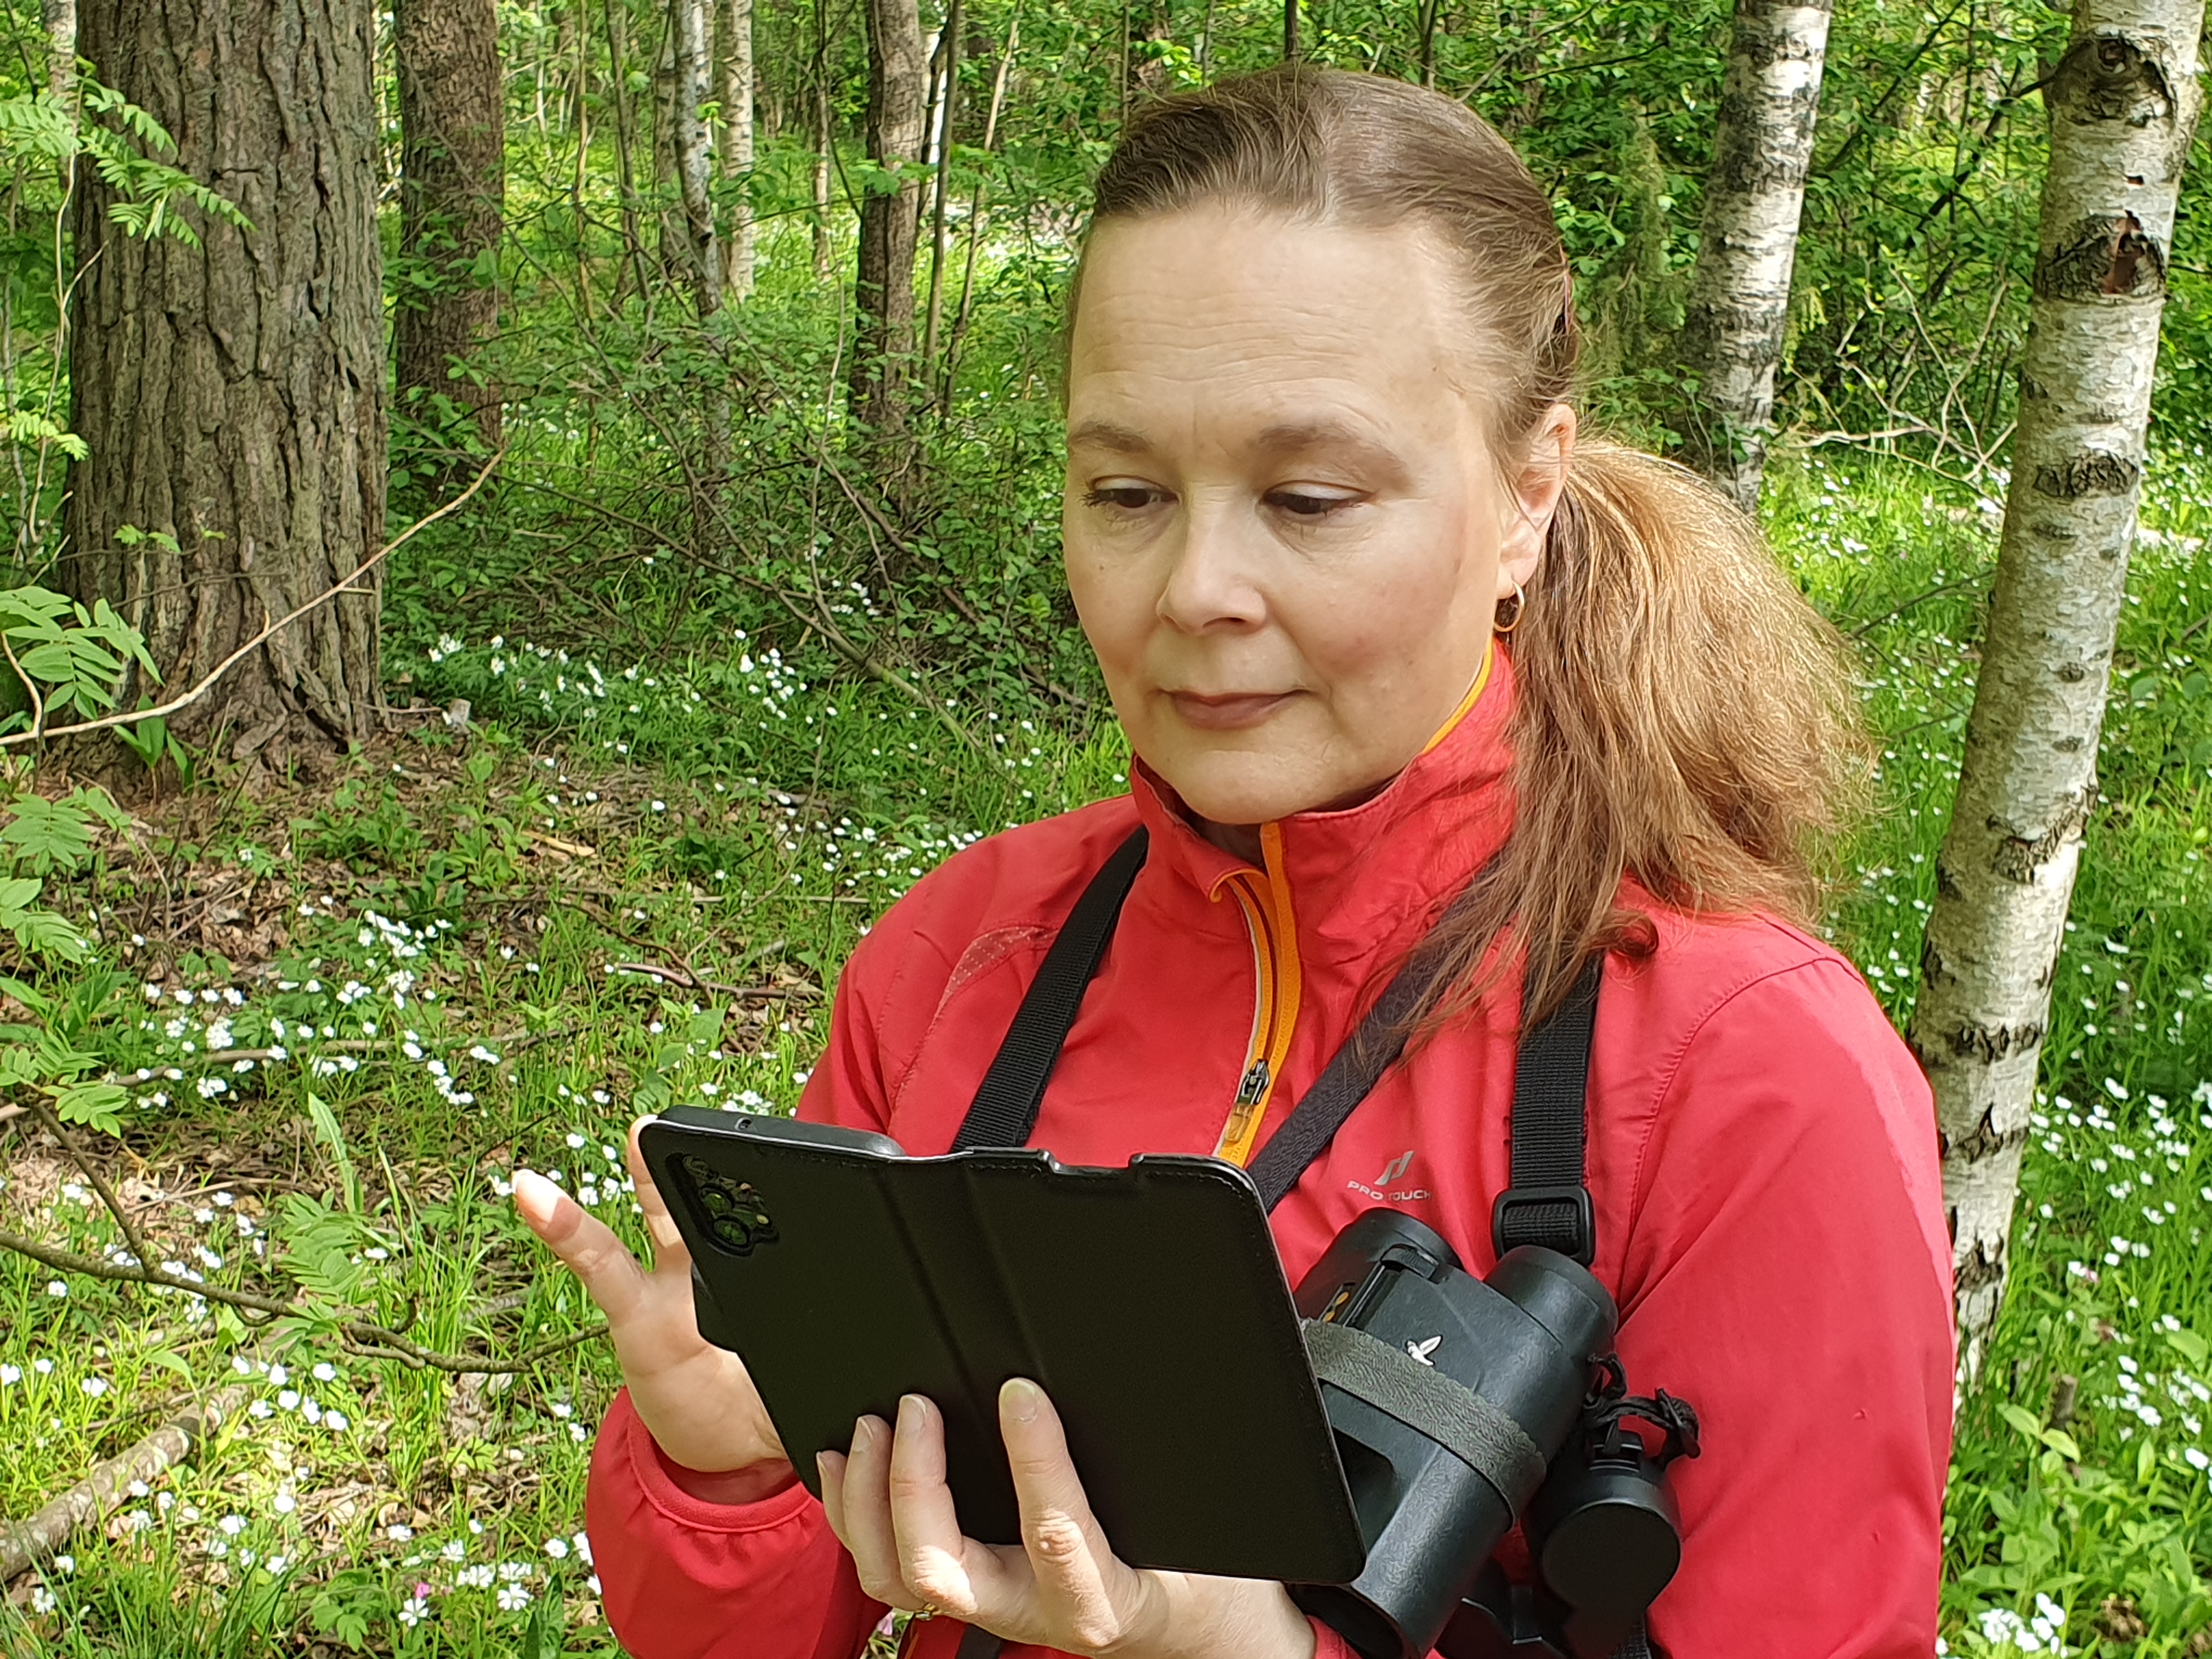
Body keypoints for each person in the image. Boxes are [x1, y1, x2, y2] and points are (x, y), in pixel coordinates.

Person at [513, 65, 1955, 1659]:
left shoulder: (1747, 1079)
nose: (1196, 586)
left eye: (1308, 498)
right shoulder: (961, 965)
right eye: (1125, 492)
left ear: (1527, 497)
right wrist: (726, 1464)